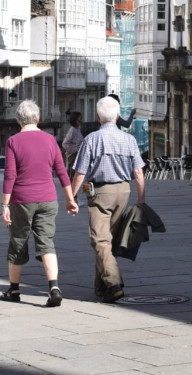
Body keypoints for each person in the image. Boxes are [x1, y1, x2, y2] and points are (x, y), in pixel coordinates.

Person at [0, 100, 78, 307]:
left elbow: (10, 175)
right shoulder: (51, 140)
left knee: (18, 241)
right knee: (47, 242)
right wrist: (70, 199)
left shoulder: (13, 141)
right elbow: (61, 171)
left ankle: (14, 289)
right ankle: (54, 287)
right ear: (38, 119)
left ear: (18, 121)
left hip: (21, 200)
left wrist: (4, 205)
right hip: (48, 199)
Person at [70, 96, 145, 303]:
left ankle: (113, 283)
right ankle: (101, 287)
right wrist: (141, 197)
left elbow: (80, 173)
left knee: (100, 239)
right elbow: (138, 172)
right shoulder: (129, 139)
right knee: (107, 240)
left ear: (97, 117)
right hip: (123, 191)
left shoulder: (92, 139)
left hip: (100, 193)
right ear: (118, 116)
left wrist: (72, 197)